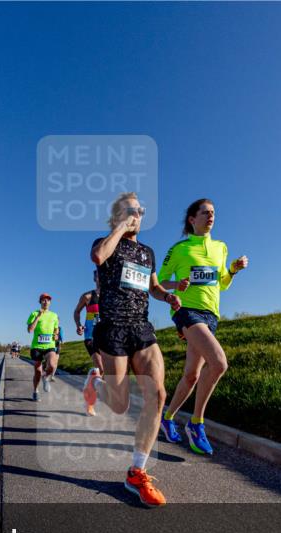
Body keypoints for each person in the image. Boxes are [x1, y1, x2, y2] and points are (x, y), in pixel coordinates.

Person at [83, 192, 181, 507]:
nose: (137, 214)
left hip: (141, 328)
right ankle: (95, 383)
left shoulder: (148, 251)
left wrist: (167, 295)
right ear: (119, 215)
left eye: (140, 210)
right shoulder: (106, 241)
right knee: (120, 405)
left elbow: (151, 286)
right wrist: (119, 227)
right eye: (131, 210)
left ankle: (136, 472)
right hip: (112, 330)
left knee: (158, 394)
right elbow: (98, 256)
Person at [157, 198, 248, 455]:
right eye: (205, 213)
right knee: (219, 363)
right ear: (192, 219)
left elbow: (221, 283)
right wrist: (177, 286)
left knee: (192, 375)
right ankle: (196, 424)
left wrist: (233, 269)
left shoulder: (221, 247)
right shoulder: (179, 249)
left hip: (211, 315)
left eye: (213, 213)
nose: (211, 217)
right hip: (186, 311)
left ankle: (168, 417)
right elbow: (160, 281)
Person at [73, 271, 104, 415]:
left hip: (107, 337)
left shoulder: (113, 297)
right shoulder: (87, 296)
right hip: (91, 336)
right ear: (94, 278)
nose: (102, 276)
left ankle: (91, 379)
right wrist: (78, 324)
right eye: (99, 274)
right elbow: (77, 312)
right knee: (101, 367)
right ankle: (90, 404)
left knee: (103, 372)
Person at [26, 293, 59, 401]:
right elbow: (30, 330)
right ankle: (35, 391)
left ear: (50, 302)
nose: (46, 302)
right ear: (40, 302)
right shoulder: (34, 313)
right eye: (43, 300)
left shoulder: (54, 315)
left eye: (48, 300)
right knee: (37, 372)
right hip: (37, 346)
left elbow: (56, 329)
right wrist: (38, 317)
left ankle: (46, 377)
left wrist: (56, 334)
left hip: (50, 345)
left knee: (53, 365)